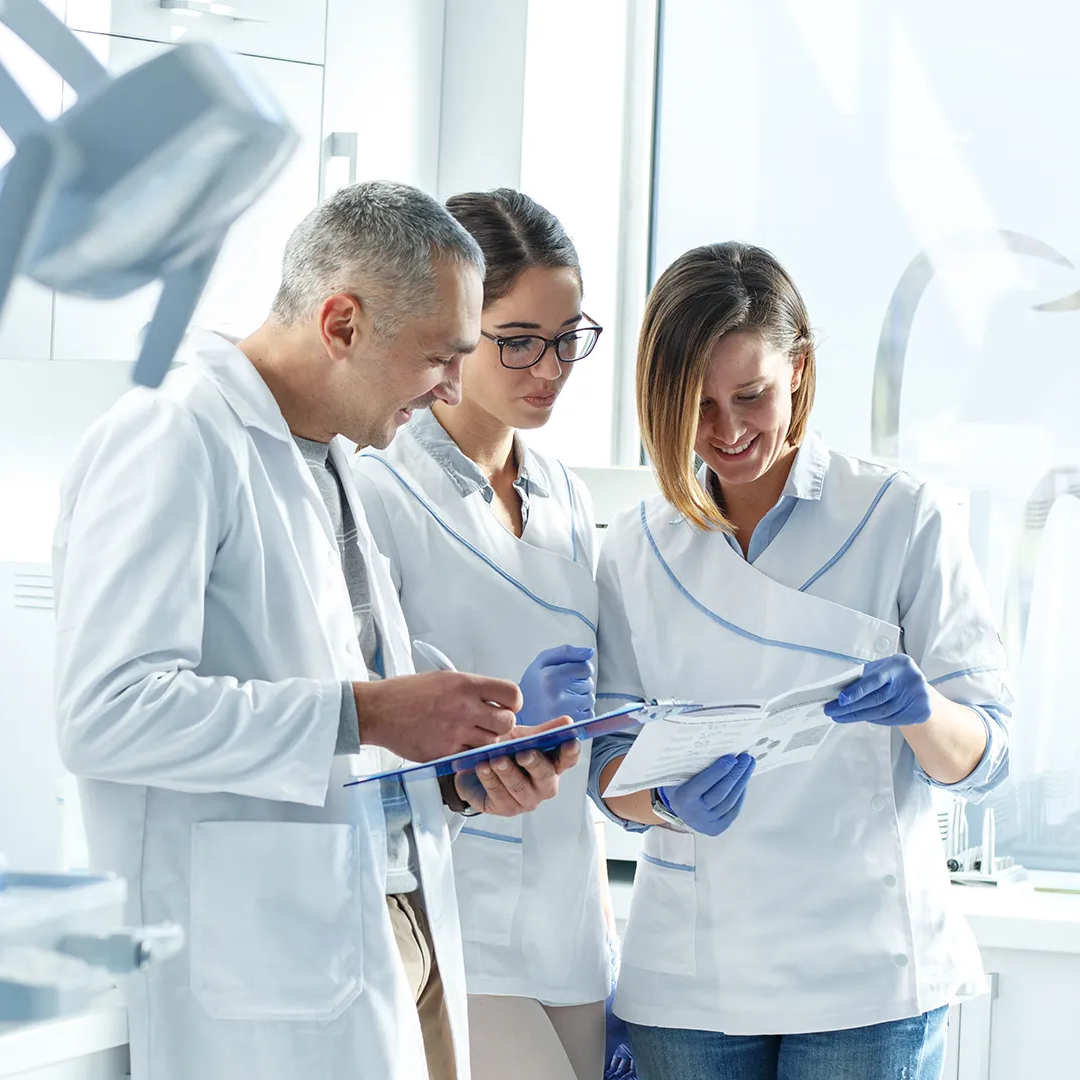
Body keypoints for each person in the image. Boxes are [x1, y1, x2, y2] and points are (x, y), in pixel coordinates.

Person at [53, 181, 589, 1080]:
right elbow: (105, 714)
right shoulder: (172, 436)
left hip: (394, 928)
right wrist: (371, 713)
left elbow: (341, 711)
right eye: (439, 357)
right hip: (267, 960)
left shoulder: (330, 456)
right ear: (341, 323)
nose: (452, 387)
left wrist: (460, 773)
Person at [587, 241, 1013, 1080]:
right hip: (691, 976)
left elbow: (989, 757)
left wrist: (924, 712)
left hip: (864, 974)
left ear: (801, 370)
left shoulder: (899, 517)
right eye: (698, 405)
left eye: (752, 395)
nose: (728, 431)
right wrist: (664, 802)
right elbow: (607, 762)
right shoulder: (638, 547)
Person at [352, 188, 616, 1080]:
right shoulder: (380, 489)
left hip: (571, 927)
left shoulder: (568, 497)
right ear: (459, 330)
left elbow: (592, 722)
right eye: (520, 341)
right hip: (453, 918)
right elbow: (357, 730)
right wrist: (490, 737)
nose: (552, 368)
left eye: (569, 337)